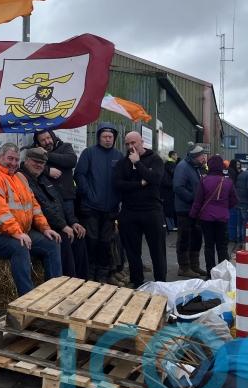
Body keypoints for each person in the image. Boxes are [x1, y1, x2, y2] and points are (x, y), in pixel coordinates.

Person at [0, 142, 62, 295]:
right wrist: (17, 233)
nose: (13, 163)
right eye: (10, 158)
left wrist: (45, 228)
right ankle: (26, 299)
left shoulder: (20, 177)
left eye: (16, 159)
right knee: (19, 247)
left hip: (17, 231)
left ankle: (53, 294)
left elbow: (34, 206)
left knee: (52, 242)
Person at [21, 147, 87, 279]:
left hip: (55, 222)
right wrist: (63, 226)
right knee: (63, 238)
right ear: (27, 161)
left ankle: (82, 281)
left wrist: (72, 222)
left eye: (42, 163)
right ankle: (68, 283)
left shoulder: (42, 178)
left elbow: (59, 201)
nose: (39, 165)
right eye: (35, 161)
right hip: (38, 226)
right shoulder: (23, 178)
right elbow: (43, 207)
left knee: (80, 237)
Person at [113, 131, 167, 287]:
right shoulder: (122, 163)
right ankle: (136, 282)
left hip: (152, 211)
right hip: (130, 212)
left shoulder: (155, 159)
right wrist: (140, 184)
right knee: (132, 251)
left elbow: (156, 179)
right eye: (127, 144)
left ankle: (161, 284)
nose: (130, 147)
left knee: (157, 251)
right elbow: (118, 184)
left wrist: (138, 163)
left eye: (133, 143)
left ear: (142, 142)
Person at [74, 123, 123, 282]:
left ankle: (102, 275)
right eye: (105, 137)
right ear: (99, 137)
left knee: (106, 243)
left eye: (110, 137)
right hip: (91, 208)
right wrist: (88, 194)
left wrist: (118, 199)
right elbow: (80, 175)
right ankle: (89, 275)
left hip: (110, 209)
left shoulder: (118, 156)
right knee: (91, 241)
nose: (108, 140)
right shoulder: (89, 153)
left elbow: (123, 180)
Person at [191, 155, 237, 274]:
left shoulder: (204, 180)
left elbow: (198, 201)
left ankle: (210, 273)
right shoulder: (228, 182)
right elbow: (234, 200)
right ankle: (223, 273)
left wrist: (193, 216)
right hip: (222, 218)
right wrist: (224, 207)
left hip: (206, 218)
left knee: (209, 246)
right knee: (222, 246)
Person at [173, 145, 209, 277]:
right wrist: (195, 200)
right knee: (184, 238)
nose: (203, 158)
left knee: (196, 238)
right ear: (194, 156)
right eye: (201, 156)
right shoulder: (183, 167)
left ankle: (194, 265)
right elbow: (178, 187)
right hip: (185, 209)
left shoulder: (196, 168)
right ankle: (184, 267)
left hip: (195, 210)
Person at [162, 151, 179, 232]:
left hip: (166, 190)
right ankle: (171, 226)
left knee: (168, 208)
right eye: (176, 155)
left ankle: (170, 226)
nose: (177, 156)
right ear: (172, 155)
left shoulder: (166, 164)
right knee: (170, 208)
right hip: (169, 190)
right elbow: (175, 175)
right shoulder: (171, 165)